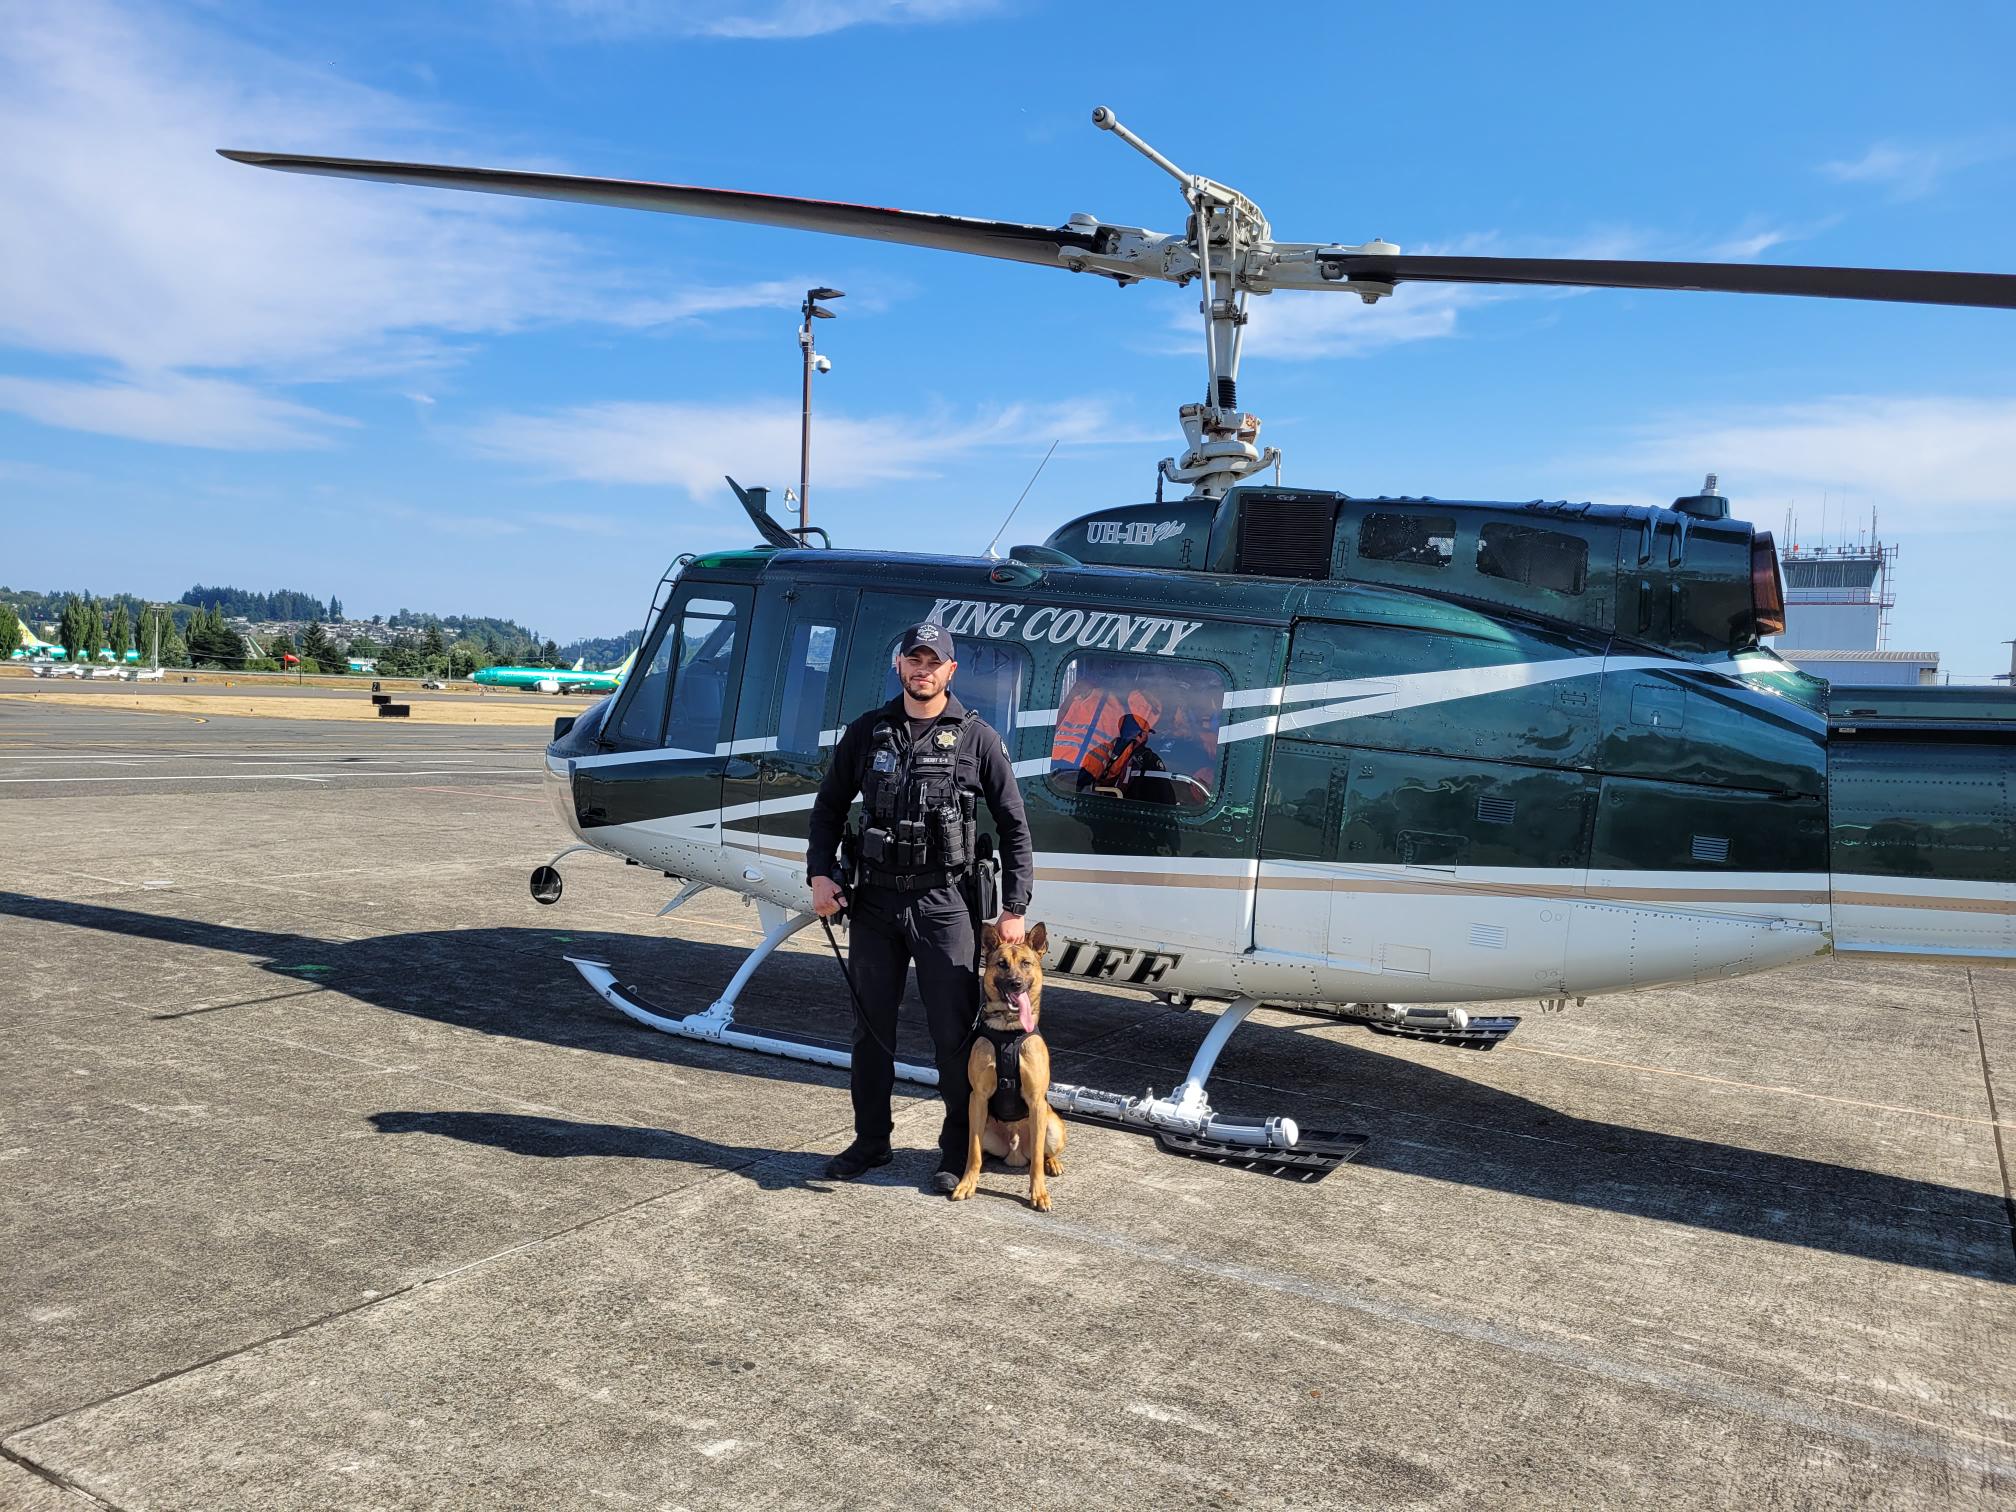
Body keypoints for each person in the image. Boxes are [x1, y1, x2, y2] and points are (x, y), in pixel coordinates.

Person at [805, 621, 1034, 1191]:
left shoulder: (978, 738)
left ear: (950, 670)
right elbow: (828, 807)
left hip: (944, 903)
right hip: (875, 901)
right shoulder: (868, 732)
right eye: (914, 659)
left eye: (934, 662)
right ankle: (871, 1140)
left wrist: (1014, 906)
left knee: (953, 1033)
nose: (923, 670)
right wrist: (820, 874)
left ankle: (957, 1149)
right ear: (900, 665)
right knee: (869, 1028)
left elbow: (1014, 826)